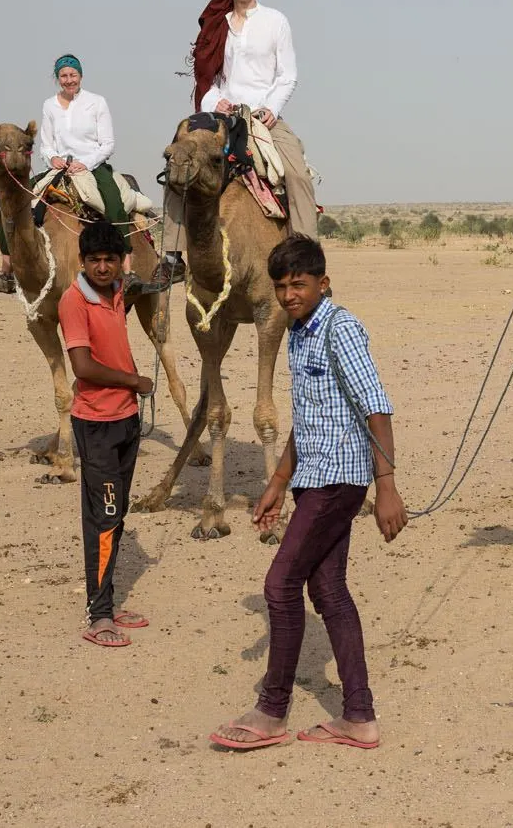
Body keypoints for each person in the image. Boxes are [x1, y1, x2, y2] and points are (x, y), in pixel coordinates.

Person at [208, 234, 407, 751]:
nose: (289, 294)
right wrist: (277, 482)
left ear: (323, 282)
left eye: (299, 284)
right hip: (311, 477)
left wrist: (386, 486)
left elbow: (376, 407)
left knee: (279, 587)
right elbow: (310, 417)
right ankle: (358, 718)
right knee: (327, 591)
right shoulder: (298, 332)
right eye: (281, 286)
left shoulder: (340, 329)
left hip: (340, 481)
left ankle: (272, 711)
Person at [0, 55, 166, 298]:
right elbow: (46, 144)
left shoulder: (96, 103)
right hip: (59, 168)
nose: (69, 80)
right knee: (12, 206)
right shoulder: (50, 105)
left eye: (73, 75)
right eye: (64, 76)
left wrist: (84, 163)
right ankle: (7, 272)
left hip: (93, 166)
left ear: (80, 76)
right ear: (58, 79)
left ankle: (128, 272)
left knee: (114, 204)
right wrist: (53, 158)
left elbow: (108, 144)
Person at [58, 220, 153, 647]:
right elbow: (83, 367)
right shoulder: (74, 301)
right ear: (82, 261)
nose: (101, 267)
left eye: (108, 260)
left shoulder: (117, 293)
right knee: (104, 518)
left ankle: (109, 603)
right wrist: (133, 381)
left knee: (117, 514)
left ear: (121, 262)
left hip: (125, 419)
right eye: (94, 260)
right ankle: (99, 617)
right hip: (96, 424)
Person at [190, 0, 318, 246]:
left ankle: (308, 258)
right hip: (223, 115)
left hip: (263, 117)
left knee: (297, 176)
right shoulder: (215, 25)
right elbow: (205, 78)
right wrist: (214, 101)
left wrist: (271, 109)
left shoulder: (275, 21)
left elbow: (288, 75)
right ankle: (173, 256)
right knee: (181, 163)